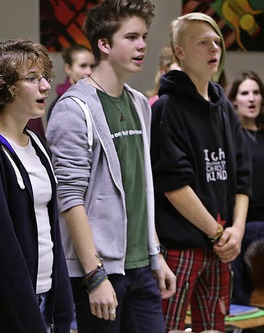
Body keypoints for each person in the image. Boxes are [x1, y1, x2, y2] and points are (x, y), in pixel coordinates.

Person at [45, 1, 176, 332]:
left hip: (141, 267)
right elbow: (70, 198)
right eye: (131, 37)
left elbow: (140, 188)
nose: (142, 45)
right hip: (99, 271)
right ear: (104, 44)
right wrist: (94, 274)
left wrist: (155, 253)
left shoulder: (138, 103)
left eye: (143, 36)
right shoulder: (73, 109)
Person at [151, 13, 252, 332]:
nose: (214, 49)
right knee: (170, 326)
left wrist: (237, 230)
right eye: (202, 42)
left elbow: (242, 174)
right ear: (179, 51)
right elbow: (173, 183)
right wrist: (219, 233)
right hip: (181, 245)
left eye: (217, 42)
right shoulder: (166, 107)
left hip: (221, 244)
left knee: (215, 327)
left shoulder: (223, 104)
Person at [0, 39, 73, 332]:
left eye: (44, 78)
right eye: (32, 79)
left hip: (47, 296)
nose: (44, 87)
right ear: (5, 87)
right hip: (16, 310)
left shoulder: (37, 143)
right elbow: (1, 250)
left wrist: (63, 310)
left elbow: (52, 230)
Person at [228, 71, 264, 306]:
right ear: (234, 100)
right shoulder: (229, 137)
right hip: (242, 224)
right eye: (244, 93)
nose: (251, 98)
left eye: (256, 92)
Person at [47, 44, 96, 118]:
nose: (89, 72)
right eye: (83, 66)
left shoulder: (97, 97)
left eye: (92, 66)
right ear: (68, 68)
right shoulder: (61, 105)